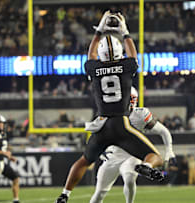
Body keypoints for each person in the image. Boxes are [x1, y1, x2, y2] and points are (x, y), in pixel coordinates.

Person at [55, 11, 164, 203]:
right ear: (119, 51)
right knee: (155, 156)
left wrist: (99, 30)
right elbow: (133, 55)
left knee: (84, 161)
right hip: (121, 124)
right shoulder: (126, 66)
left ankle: (65, 195)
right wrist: (125, 31)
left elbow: (91, 54)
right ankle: (146, 166)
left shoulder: (95, 68)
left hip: (102, 124)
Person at [90, 87, 176, 203]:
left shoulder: (139, 114)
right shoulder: (108, 115)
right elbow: (95, 137)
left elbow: (163, 131)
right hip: (113, 155)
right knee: (99, 192)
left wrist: (169, 151)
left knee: (130, 178)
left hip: (133, 154)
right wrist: (101, 151)